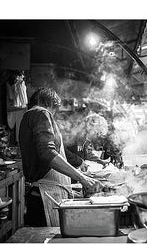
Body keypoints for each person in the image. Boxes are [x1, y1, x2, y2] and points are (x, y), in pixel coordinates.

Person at [19, 87, 103, 226]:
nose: (54, 114)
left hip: (44, 195)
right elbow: (47, 152)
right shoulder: (40, 113)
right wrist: (82, 177)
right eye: (55, 109)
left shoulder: (30, 116)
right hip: (44, 196)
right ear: (48, 103)